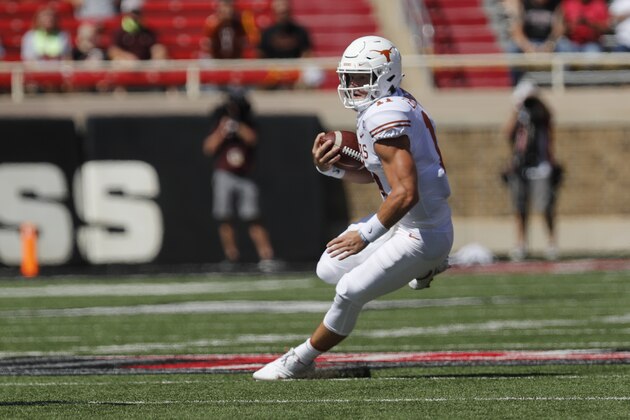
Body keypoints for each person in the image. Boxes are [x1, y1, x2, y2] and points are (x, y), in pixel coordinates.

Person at [253, 36, 453, 380]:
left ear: (386, 75)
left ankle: (298, 361)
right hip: (404, 223)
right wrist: (330, 168)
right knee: (329, 268)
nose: (353, 85)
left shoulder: (385, 114)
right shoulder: (388, 105)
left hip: (422, 232)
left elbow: (406, 193)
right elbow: (380, 176)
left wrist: (366, 233)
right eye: (349, 77)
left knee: (349, 291)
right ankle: (427, 267)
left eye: (362, 77)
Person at [202, 89, 277, 271]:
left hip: (245, 176)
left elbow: (252, 139)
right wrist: (223, 130)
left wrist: (238, 126)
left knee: (252, 216)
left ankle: (266, 256)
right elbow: (208, 148)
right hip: (224, 174)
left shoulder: (249, 123)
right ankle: (231, 256)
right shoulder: (219, 121)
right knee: (224, 216)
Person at [502, 79, 562, 261]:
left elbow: (550, 118)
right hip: (521, 166)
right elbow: (507, 133)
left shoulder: (541, 113)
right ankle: (521, 244)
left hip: (542, 165)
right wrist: (518, 107)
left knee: (546, 206)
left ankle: (551, 243)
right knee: (520, 207)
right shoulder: (519, 114)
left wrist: (535, 99)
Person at [506, 0, 573, 84]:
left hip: (548, 41)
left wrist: (550, 44)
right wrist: (527, 46)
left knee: (565, 47)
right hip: (529, 41)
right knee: (512, 48)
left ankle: (563, 83)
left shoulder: (555, 4)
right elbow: (517, 31)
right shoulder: (524, 4)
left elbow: (559, 29)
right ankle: (516, 83)